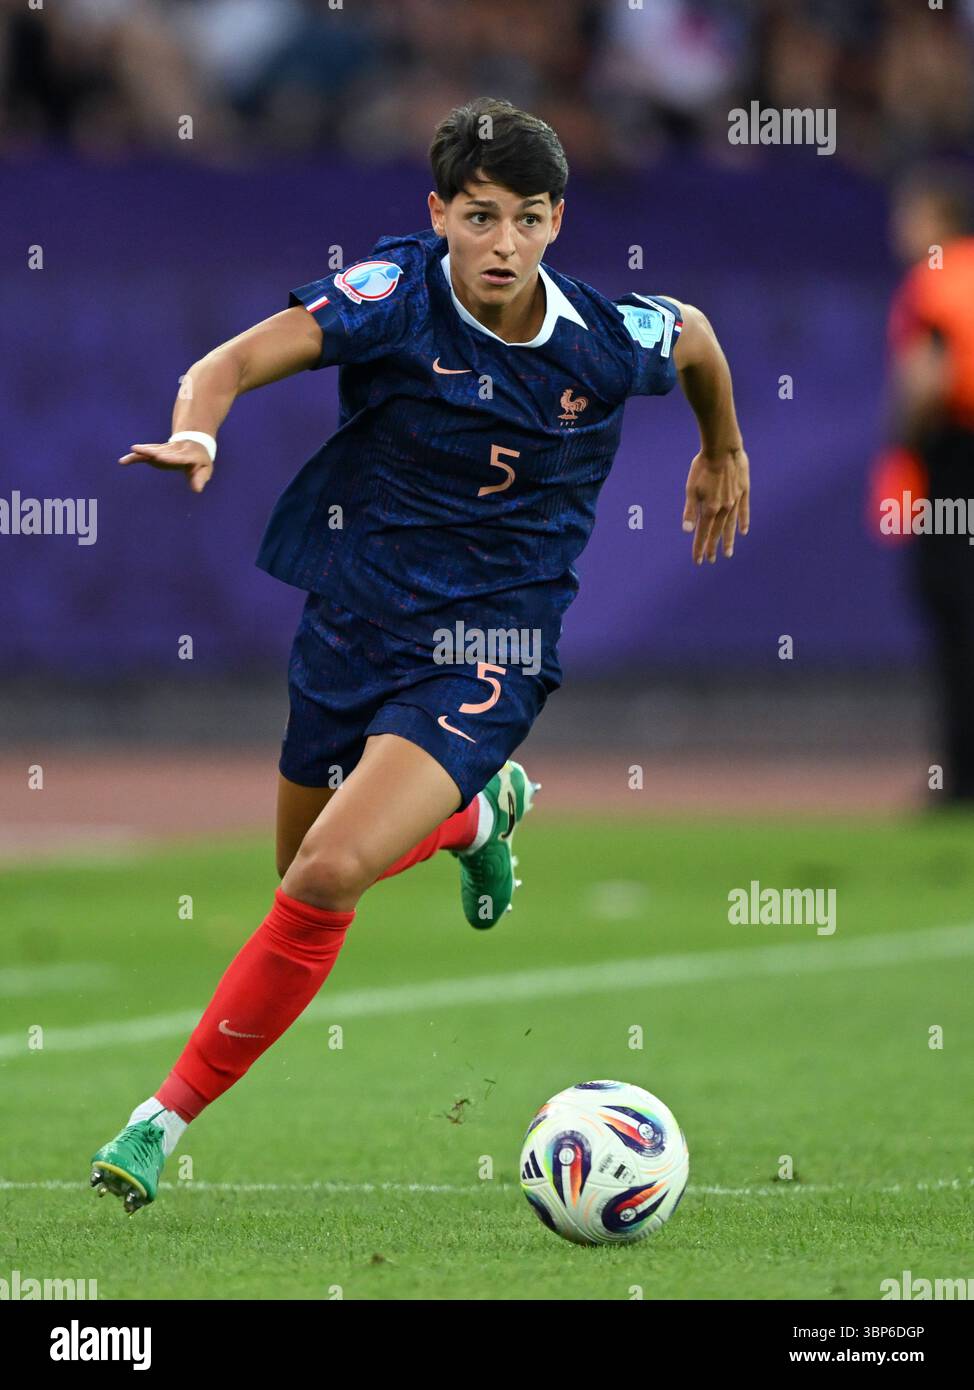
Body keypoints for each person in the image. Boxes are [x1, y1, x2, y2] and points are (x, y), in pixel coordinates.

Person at [91, 97, 749, 1213]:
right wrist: (199, 421)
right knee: (298, 875)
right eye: (480, 216)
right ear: (436, 211)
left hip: (490, 642)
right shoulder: (394, 295)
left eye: (528, 219)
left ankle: (159, 1121)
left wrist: (720, 445)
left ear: (556, 222)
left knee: (328, 872)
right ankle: (478, 816)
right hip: (351, 619)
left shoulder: (598, 334)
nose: (503, 244)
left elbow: (691, 333)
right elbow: (235, 357)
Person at [887, 165, 974, 801]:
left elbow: (929, 376)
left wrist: (904, 439)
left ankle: (960, 774)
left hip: (955, 458)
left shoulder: (936, 280)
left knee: (955, 620)